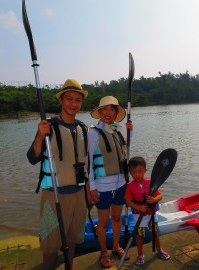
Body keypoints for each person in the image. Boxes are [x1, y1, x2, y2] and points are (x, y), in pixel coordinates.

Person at [27, 79, 89, 270]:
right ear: (61, 101)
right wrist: (39, 135)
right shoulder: (49, 127)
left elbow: (86, 166)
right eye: (69, 99)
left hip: (78, 194)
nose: (73, 103)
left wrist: (89, 191)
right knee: (50, 243)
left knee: (72, 239)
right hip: (54, 195)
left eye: (77, 100)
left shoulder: (83, 128)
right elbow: (32, 157)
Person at [87, 96, 132, 268]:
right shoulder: (93, 133)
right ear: (99, 112)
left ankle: (116, 247)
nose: (108, 113)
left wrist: (130, 132)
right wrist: (92, 186)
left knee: (116, 218)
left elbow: (125, 154)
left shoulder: (117, 130)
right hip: (103, 186)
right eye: (104, 109)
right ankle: (104, 252)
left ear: (115, 112)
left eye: (112, 109)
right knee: (104, 222)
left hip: (120, 183)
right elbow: (90, 162)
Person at [124, 156, 171, 266]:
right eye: (134, 172)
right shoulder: (130, 186)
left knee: (154, 233)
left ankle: (159, 250)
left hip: (151, 214)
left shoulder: (151, 182)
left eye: (140, 171)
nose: (137, 175)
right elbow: (127, 201)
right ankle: (140, 254)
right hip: (139, 216)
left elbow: (160, 195)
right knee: (140, 236)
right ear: (130, 172)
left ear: (145, 170)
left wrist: (154, 199)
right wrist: (139, 207)